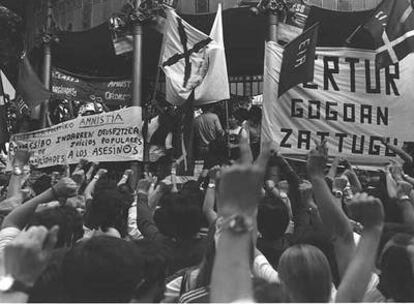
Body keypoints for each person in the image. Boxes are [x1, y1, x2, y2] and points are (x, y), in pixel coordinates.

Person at [194, 104, 225, 170]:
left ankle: (203, 179)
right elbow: (220, 132)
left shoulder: (196, 120)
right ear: (211, 108)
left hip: (200, 147)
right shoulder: (214, 117)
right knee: (212, 168)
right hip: (213, 147)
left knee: (202, 167)